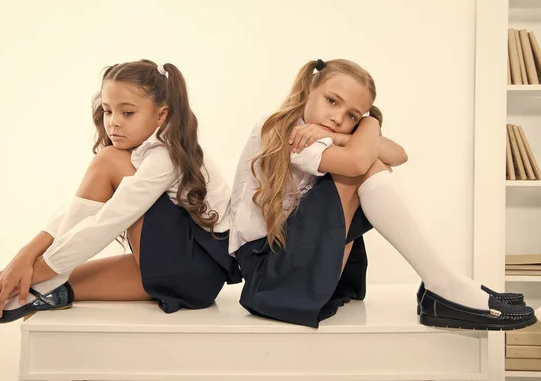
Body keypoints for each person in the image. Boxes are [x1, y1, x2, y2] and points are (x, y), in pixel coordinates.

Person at [228, 58, 536, 329]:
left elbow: (398, 153)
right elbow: (361, 161)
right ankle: (444, 285)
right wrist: (367, 122)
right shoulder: (285, 129)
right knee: (360, 170)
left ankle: (445, 283)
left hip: (293, 261)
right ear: (309, 89)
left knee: (367, 164)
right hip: (268, 272)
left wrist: (353, 127)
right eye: (332, 101)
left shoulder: (323, 133)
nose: (338, 117)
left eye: (352, 115)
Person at [0, 59, 241, 323]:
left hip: (192, 270)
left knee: (108, 160)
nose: (114, 122)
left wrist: (35, 269)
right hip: (190, 277)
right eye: (108, 111)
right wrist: (25, 258)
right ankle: (49, 290)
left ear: (162, 114)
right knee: (61, 283)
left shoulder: (165, 156)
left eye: (127, 113)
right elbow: (79, 208)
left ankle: (45, 279)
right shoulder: (143, 150)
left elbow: (109, 219)